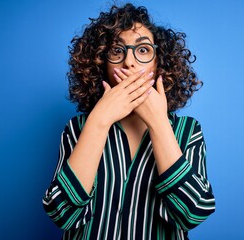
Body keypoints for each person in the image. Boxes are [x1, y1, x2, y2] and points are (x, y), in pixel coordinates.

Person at [43, 3, 215, 239]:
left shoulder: (188, 130)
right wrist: (99, 120)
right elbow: (62, 214)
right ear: (102, 64)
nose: (129, 62)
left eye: (143, 50)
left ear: (159, 63)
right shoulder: (77, 128)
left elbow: (193, 213)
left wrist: (158, 123)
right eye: (117, 51)